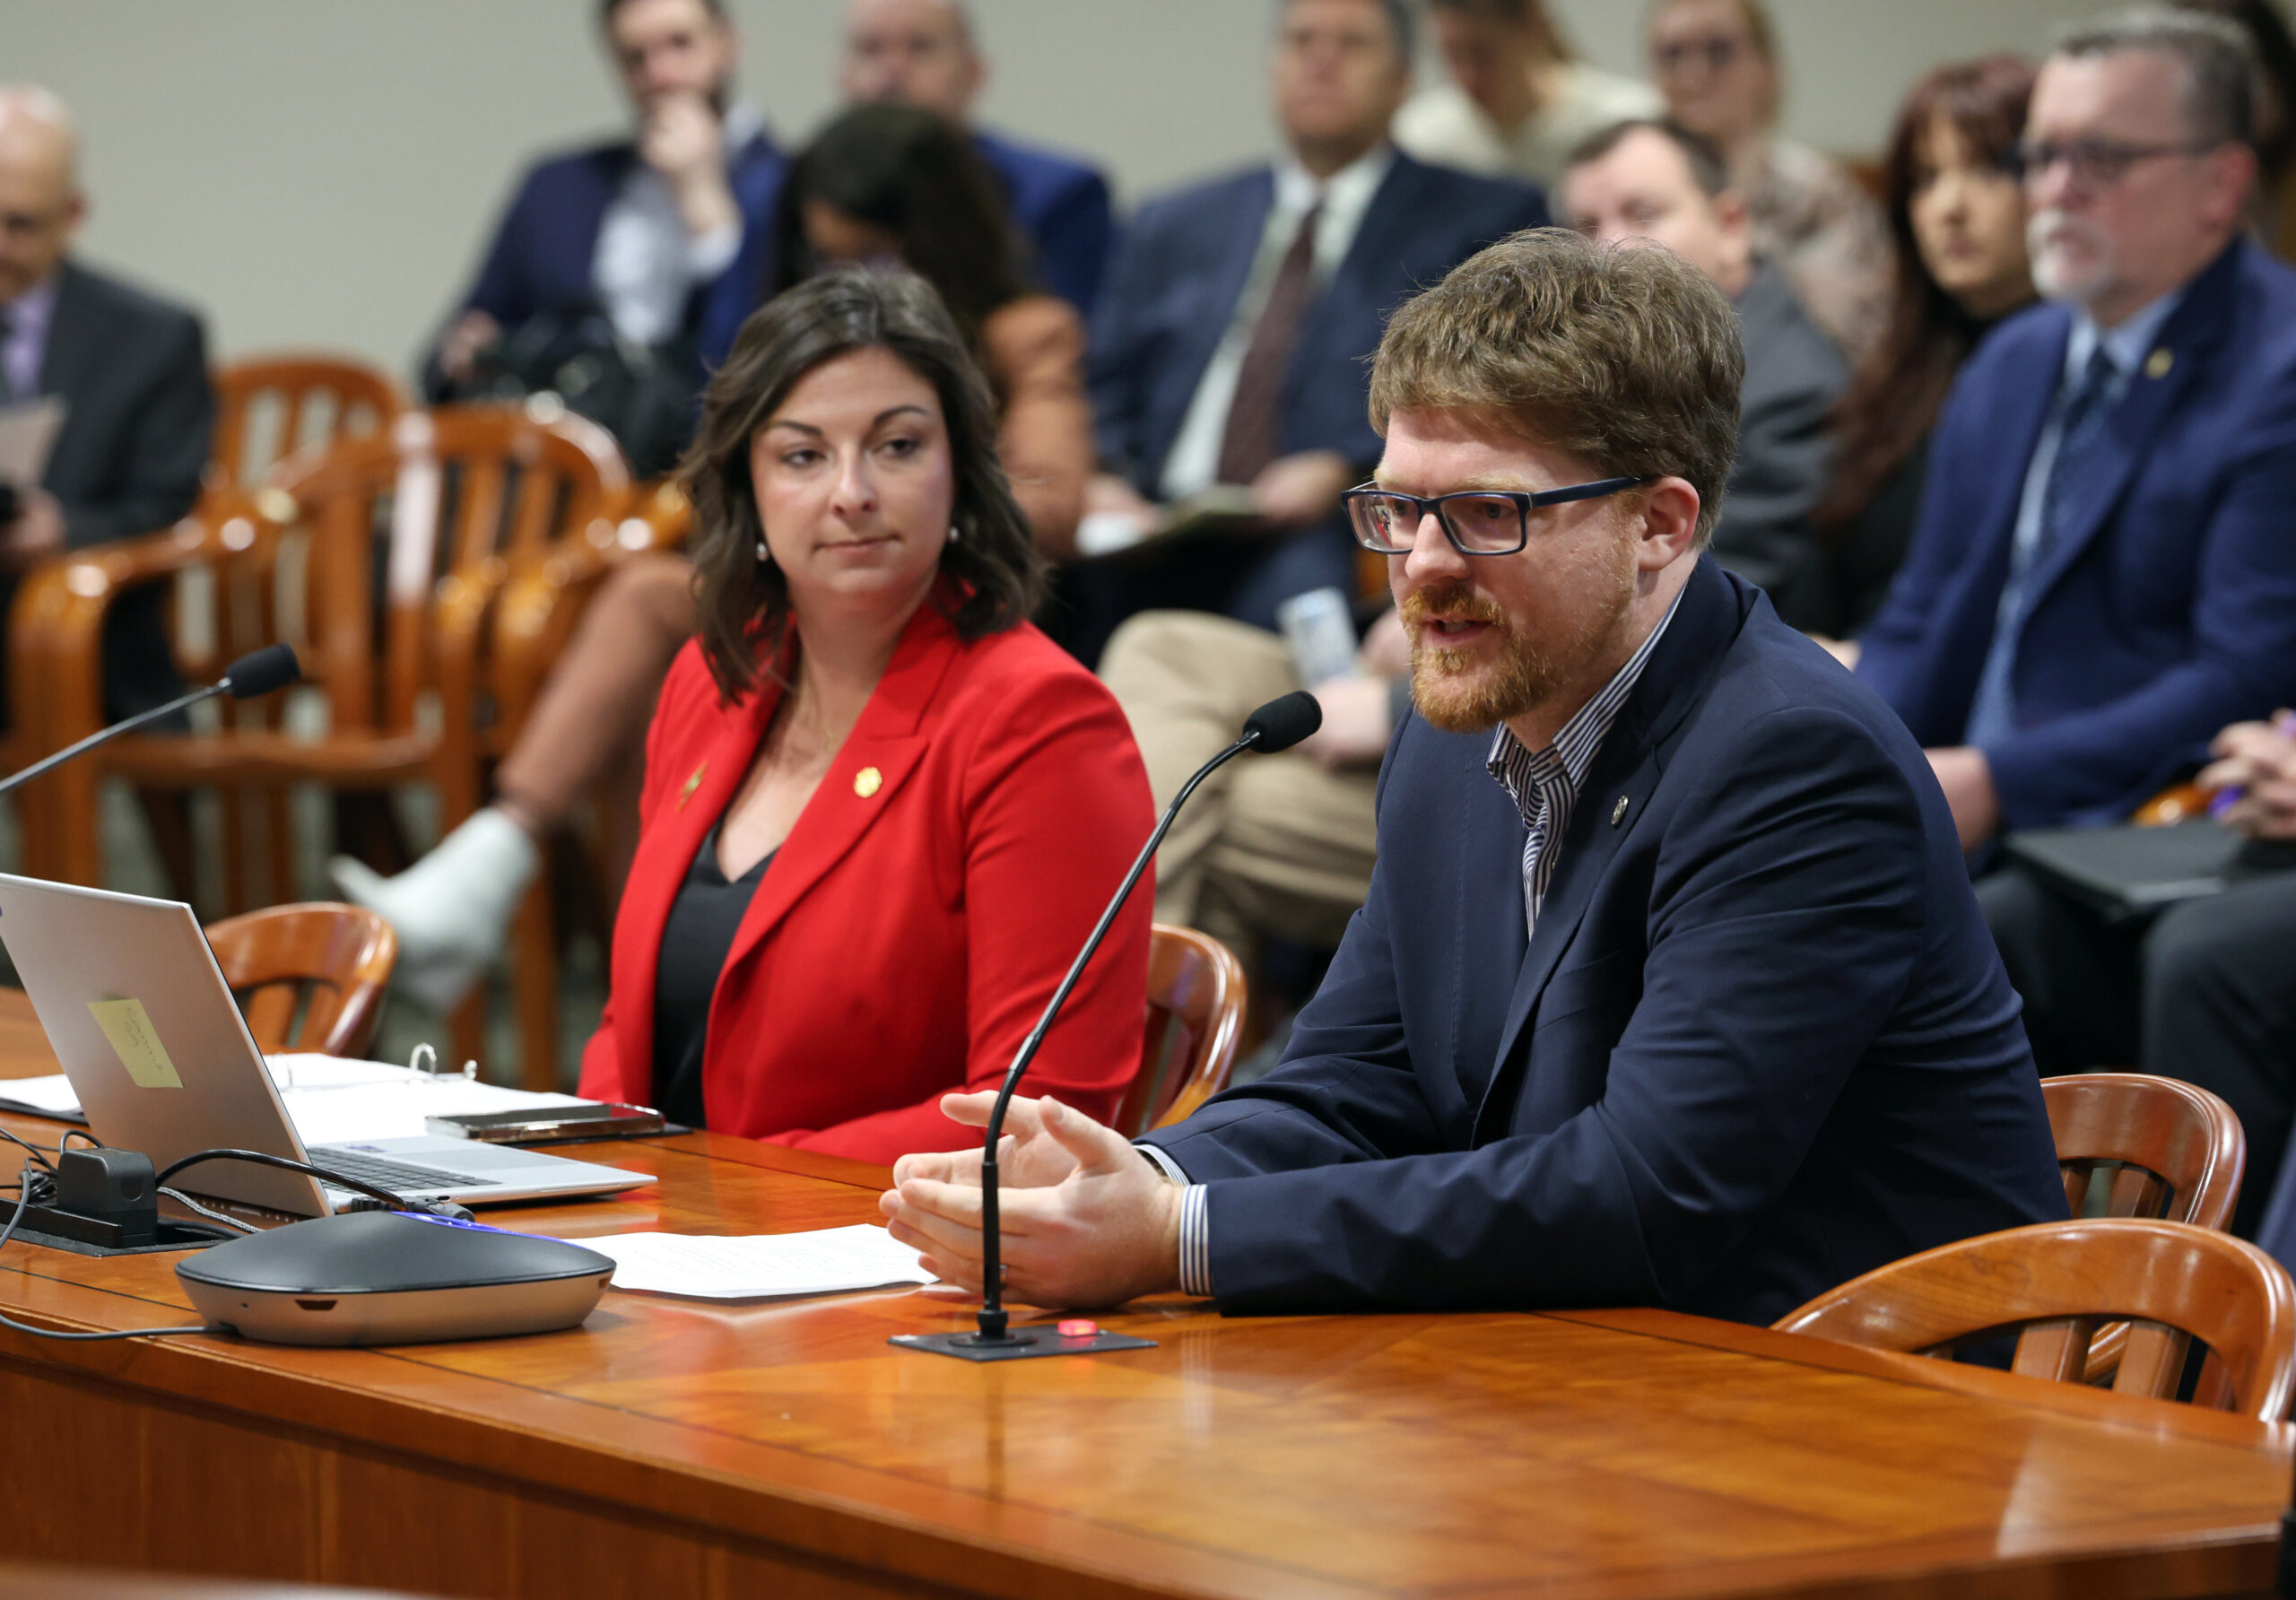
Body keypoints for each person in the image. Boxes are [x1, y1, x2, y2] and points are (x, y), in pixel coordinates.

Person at [880, 229, 2066, 1322]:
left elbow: (1647, 1196)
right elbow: (1355, 1082)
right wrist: (1139, 1176)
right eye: (1398, 509)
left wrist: (1181, 1238)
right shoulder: (1456, 730)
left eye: (1487, 512)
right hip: (1607, 1395)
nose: (1421, 569)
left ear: (1660, 524)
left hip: (1875, 1426)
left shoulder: (1794, 764)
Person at [335, 106, 1097, 1008]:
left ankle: (497, 853)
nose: (855, 281)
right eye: (830, 255)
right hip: (802, 612)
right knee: (671, 639)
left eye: (879, 255)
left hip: (954, 602)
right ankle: (562, 895)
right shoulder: (792, 338)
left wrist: (927, 493)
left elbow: (1051, 498)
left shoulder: (1018, 329)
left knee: (655, 601)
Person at [567, 266, 1152, 1161]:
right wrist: (590, 1180)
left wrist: (723, 1195)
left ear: (959, 468)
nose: (852, 492)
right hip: (667, 1251)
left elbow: (1037, 1116)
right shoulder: (712, 675)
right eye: (803, 455)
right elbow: (625, 1031)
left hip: (877, 1266)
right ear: (748, 487)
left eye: (898, 446)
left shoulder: (1039, 720)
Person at [1850, 9, 2296, 864]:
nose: (2054, 190)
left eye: (2103, 158)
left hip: (2133, 819)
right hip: (1959, 794)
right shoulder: (2014, 357)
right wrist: (1838, 747)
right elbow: (1917, 618)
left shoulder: (2275, 366)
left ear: (2221, 185)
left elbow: (2244, 674)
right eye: (2042, 155)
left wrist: (1998, 780)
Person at [1078, 0, 1547, 656]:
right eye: (1302, 41)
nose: (1321, 61)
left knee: (1303, 596)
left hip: (1323, 523)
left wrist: (1344, 463)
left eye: (1351, 44)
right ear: (1273, 66)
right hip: (1153, 522)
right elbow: (1103, 379)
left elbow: (1483, 385)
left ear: (1403, 78)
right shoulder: (1176, 220)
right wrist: (1102, 476)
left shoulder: (1481, 217)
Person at [1561, 119, 1848, 631]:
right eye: (1585, 227)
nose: (1609, 249)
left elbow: (1679, 601)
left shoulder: (1792, 392)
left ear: (1731, 225)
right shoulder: (1619, 363)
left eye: (1642, 214)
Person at [425, 0, 782, 395]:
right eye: (635, 58)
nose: (661, 74)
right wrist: (470, 351)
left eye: (680, 44)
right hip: (563, 432)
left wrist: (701, 198)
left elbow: (770, 348)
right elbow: (450, 349)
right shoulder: (557, 186)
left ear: (727, 44)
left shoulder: (790, 186)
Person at [0, 84, 212, 726]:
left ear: (73, 214)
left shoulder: (153, 337)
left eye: (18, 225)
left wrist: (60, 531)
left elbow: (167, 501)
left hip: (89, 635)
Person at [1813, 57, 2038, 638]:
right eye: (1927, 178)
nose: (1950, 207)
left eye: (1988, 170)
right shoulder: (1900, 370)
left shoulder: (2077, 373)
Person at [1647, 0, 1892, 362]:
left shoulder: (1816, 191)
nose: (1691, 74)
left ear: (1767, 67)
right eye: (1672, 55)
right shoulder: (1638, 193)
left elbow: (1851, 335)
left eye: (1719, 51)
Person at [840, 0, 1117, 317]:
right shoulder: (800, 195)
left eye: (920, 47)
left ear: (973, 72)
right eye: (869, 49)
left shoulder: (1062, 195)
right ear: (842, 74)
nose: (892, 69)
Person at [1394, 0, 1663, 189]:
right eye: (1451, 54)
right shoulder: (1421, 139)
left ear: (1532, 25)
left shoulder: (1629, 122)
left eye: (1482, 53)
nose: (1467, 76)